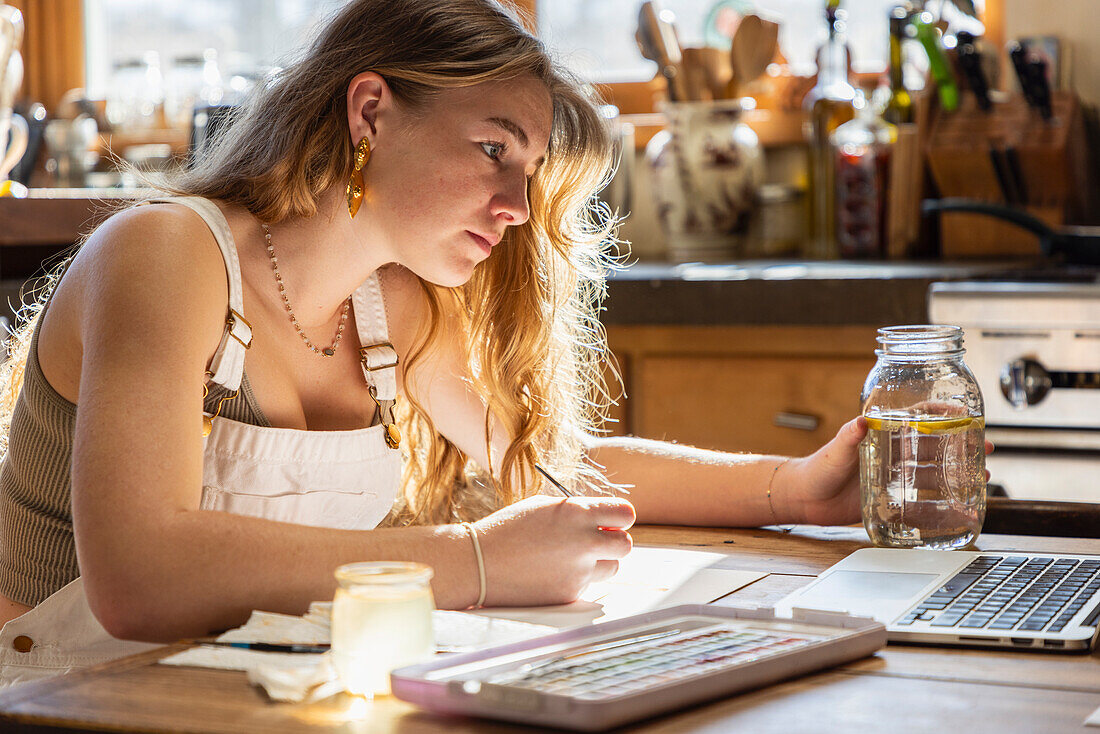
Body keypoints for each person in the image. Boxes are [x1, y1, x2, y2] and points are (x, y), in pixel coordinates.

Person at [0, 0, 867, 687]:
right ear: (371, 110)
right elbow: (138, 577)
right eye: (494, 148)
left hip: (228, 695)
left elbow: (547, 467)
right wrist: (476, 561)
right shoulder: (166, 255)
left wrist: (790, 487)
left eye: (527, 171)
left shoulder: (390, 311)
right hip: (59, 698)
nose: (518, 206)